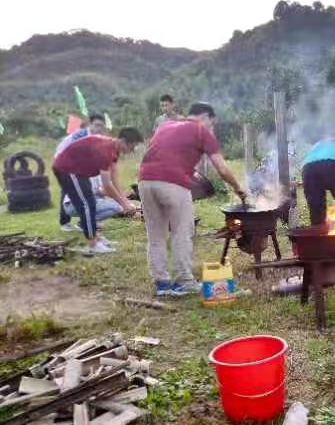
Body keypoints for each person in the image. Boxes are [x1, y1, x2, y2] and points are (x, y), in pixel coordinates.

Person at [138, 102, 247, 297]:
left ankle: (162, 284)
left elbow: (161, 152)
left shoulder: (165, 126)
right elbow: (221, 169)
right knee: (182, 231)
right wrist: (239, 190)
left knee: (155, 234)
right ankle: (184, 281)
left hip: (145, 181)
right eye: (212, 124)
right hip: (173, 183)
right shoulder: (202, 131)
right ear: (207, 117)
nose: (212, 128)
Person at [52, 128, 143, 254]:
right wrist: (124, 205)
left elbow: (114, 178)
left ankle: (97, 239)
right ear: (122, 141)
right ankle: (93, 245)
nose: (131, 151)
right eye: (131, 147)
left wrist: (125, 201)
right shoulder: (105, 149)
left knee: (90, 205)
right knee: (87, 205)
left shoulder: (114, 150)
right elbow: (107, 186)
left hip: (79, 172)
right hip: (67, 169)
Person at [54, 114, 107, 231]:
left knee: (89, 190)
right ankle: (64, 222)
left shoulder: (97, 137)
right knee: (68, 191)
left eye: (101, 126)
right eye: (97, 125)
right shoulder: (80, 136)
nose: (99, 128)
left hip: (78, 167)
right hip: (64, 164)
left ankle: (86, 221)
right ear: (90, 124)